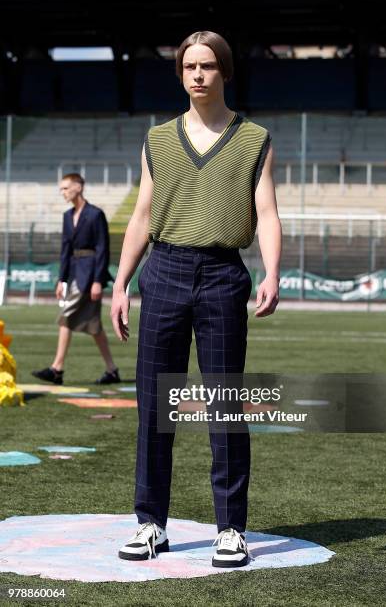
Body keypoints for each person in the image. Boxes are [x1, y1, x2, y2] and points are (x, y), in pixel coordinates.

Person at [111, 30, 281, 567]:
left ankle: (230, 529)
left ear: (225, 72)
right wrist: (121, 281)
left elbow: (269, 213)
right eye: (190, 67)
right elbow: (141, 215)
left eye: (209, 66)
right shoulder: (158, 140)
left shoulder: (255, 138)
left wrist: (271, 272)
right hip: (162, 271)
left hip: (223, 275)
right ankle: (150, 524)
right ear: (181, 74)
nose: (199, 76)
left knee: (226, 407)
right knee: (154, 408)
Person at [32, 173, 120, 386]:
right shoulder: (67, 216)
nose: (62, 192)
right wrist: (61, 280)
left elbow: (102, 248)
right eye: (61, 189)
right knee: (94, 326)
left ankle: (57, 369)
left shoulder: (95, 214)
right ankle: (112, 370)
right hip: (73, 273)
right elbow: (65, 249)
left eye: (65, 188)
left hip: (90, 274)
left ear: (78, 187)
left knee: (66, 315)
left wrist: (98, 280)